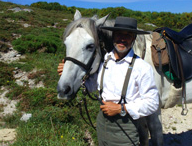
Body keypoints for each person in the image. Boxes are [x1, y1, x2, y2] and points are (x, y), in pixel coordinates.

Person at [58, 17, 159, 146]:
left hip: (125, 126)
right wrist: (68, 74)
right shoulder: (105, 60)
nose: (122, 39)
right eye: (119, 34)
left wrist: (121, 108)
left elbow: (152, 103)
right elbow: (93, 86)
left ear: (134, 38)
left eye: (128, 35)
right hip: (102, 124)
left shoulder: (142, 68)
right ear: (113, 36)